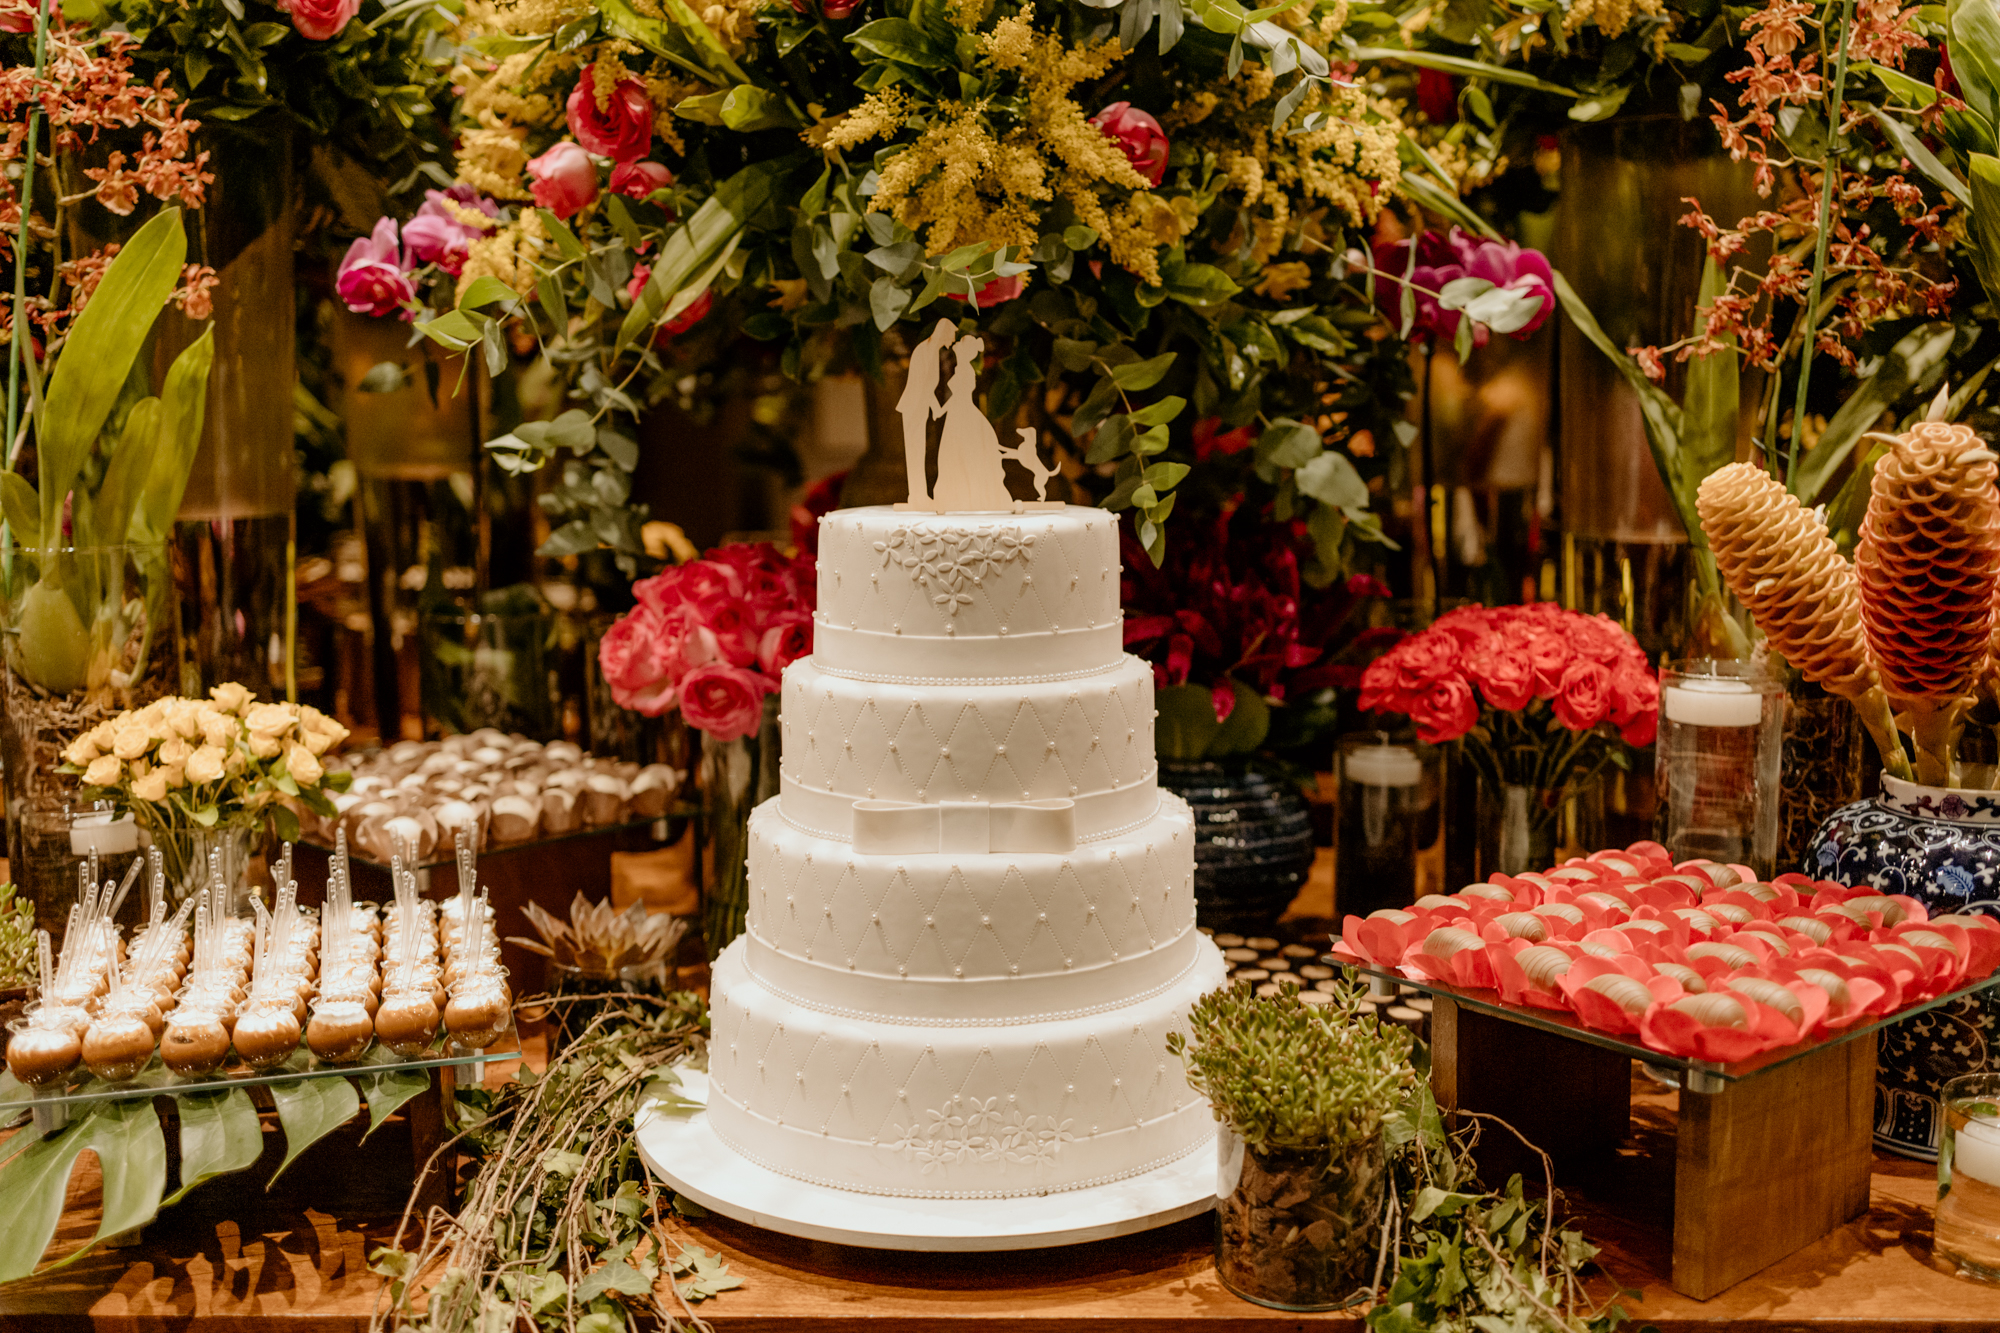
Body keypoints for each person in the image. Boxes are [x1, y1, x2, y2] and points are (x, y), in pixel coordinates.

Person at [930, 335, 1011, 511]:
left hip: (962, 412)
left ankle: (970, 491)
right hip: (958, 411)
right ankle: (956, 493)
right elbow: (956, 397)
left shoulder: (965, 370)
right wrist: (941, 410)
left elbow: (959, 395)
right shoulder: (961, 368)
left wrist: (941, 409)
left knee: (960, 449)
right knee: (953, 452)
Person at [898, 321, 957, 508]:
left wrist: (935, 408)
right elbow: (922, 384)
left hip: (920, 405)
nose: (951, 342)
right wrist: (934, 407)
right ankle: (916, 496)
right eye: (951, 337)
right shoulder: (924, 350)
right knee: (915, 451)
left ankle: (920, 494)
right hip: (914, 405)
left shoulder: (931, 351)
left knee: (920, 449)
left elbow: (928, 386)